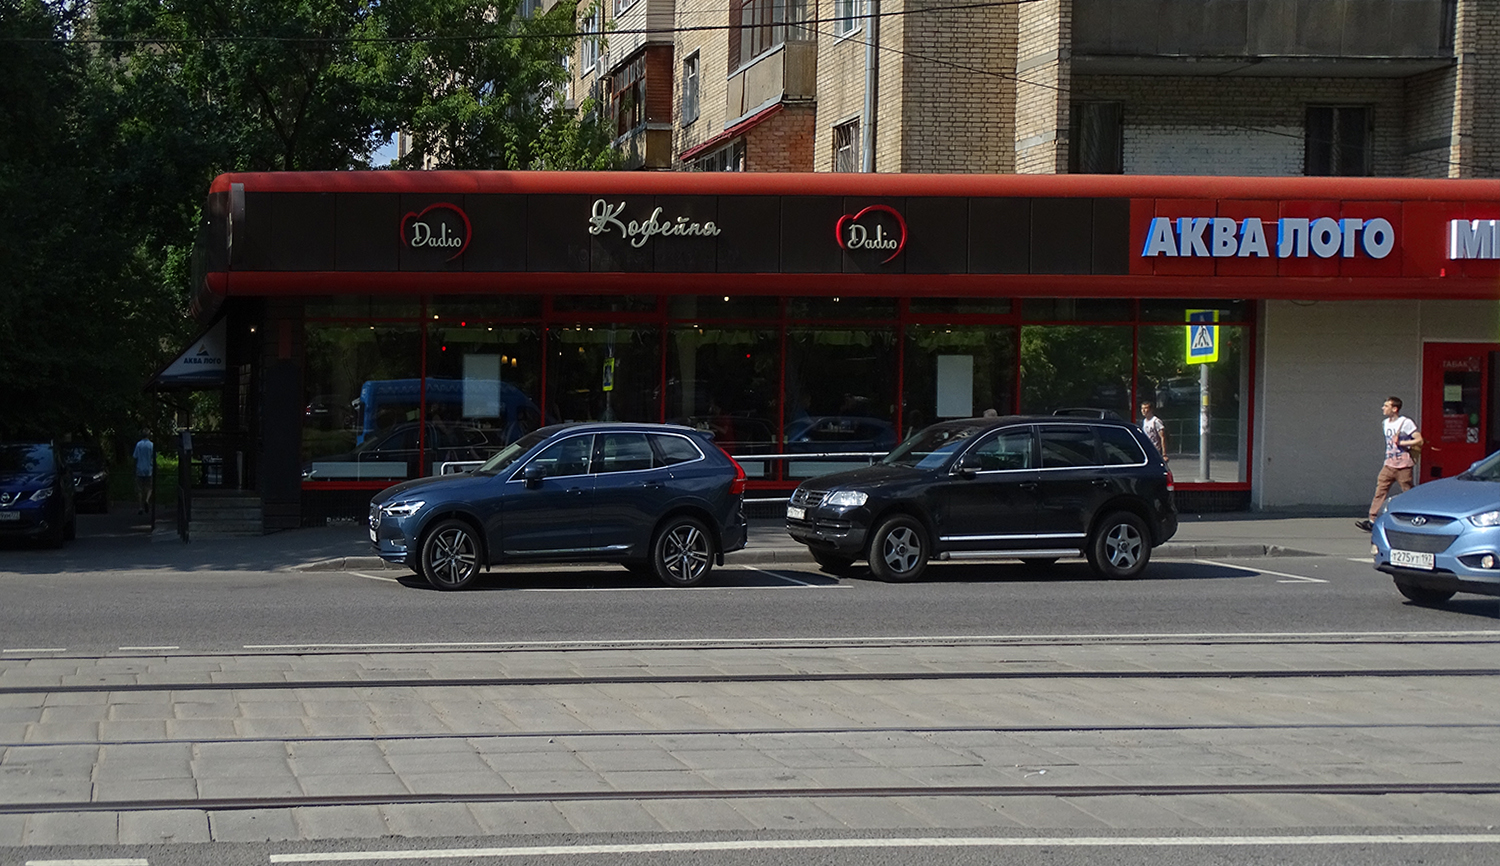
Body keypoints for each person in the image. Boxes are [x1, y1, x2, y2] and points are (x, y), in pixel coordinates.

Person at [1356, 396, 1423, 532]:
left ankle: (1415, 517)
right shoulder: (1385, 423)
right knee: (1380, 490)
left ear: (1395, 408)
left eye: (1386, 406)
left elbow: (1419, 439)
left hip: (1403, 464)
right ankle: (1372, 520)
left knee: (1408, 491)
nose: (1383, 408)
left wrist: (1403, 443)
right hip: (1388, 464)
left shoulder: (1405, 422)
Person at [132, 430, 154, 514]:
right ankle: (147, 500)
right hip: (148, 469)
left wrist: (133, 468)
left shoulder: (138, 444)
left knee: (139, 489)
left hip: (139, 469)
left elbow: (135, 457)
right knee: (149, 487)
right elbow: (153, 458)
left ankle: (140, 507)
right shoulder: (151, 445)